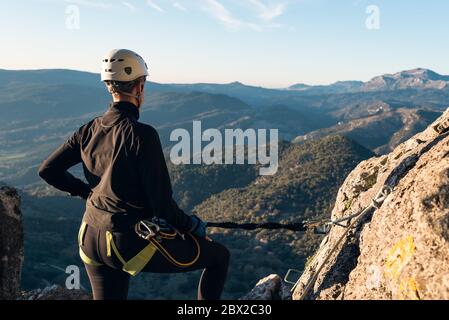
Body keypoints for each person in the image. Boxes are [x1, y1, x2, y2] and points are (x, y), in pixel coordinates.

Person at [38, 49, 230, 300]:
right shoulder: (142, 135)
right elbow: (162, 205)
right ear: (140, 86)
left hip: (89, 237)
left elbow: (48, 170)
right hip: (124, 241)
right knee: (219, 257)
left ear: (109, 87)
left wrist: (86, 192)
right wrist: (192, 225)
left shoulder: (88, 129)